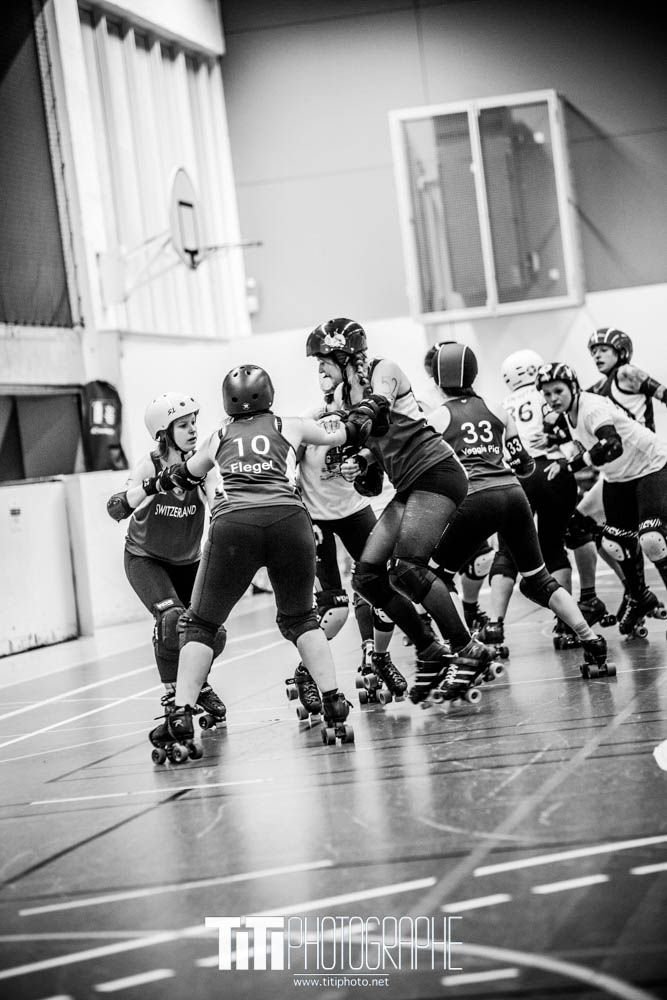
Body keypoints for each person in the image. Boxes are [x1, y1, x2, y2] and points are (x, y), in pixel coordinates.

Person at [147, 364, 359, 759]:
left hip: (235, 526)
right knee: (302, 618)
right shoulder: (289, 426)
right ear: (269, 394)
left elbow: (186, 474)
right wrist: (364, 414)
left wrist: (154, 482)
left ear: (227, 402)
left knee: (200, 624)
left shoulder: (218, 436)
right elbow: (343, 434)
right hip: (288, 522)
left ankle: (180, 715)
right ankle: (333, 702)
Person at [306, 317, 493, 706]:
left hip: (438, 473)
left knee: (408, 567)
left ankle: (466, 647)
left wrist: (347, 434)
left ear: (345, 356)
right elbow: (375, 455)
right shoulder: (343, 399)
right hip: (410, 483)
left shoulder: (382, 370)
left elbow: (378, 410)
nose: (319, 369)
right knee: (368, 576)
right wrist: (361, 462)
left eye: (323, 360)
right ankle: (430, 650)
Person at [426, 343, 609, 681]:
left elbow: (428, 469)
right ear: (475, 375)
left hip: (475, 498)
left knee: (433, 577)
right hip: (513, 493)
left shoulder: (436, 417)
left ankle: (466, 650)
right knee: (540, 575)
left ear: (438, 381)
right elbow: (523, 463)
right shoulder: (497, 410)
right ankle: (590, 638)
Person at [106, 392, 226, 725]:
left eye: (193, 424)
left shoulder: (201, 464)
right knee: (171, 620)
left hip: (188, 561)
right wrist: (153, 484)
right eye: (183, 425)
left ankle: (196, 686)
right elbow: (116, 507)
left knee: (212, 631)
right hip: (146, 558)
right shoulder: (151, 463)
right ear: (163, 433)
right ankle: (174, 695)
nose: (192, 431)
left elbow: (217, 500)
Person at [536, 361, 667, 637]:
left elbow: (612, 445)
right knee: (615, 542)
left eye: (557, 391)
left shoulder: (592, 407)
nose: (552, 399)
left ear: (573, 387)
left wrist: (569, 464)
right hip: (617, 477)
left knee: (653, 539)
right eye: (546, 394)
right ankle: (639, 596)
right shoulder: (568, 414)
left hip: (651, 466)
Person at [296, 368, 402, 707]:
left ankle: (378, 658)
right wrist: (299, 516)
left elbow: (377, 464)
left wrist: (364, 463)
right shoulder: (309, 421)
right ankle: (306, 672)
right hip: (318, 518)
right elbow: (287, 473)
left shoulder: (362, 421)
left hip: (356, 511)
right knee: (334, 609)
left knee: (386, 590)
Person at [566, 328, 667, 622]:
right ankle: (635, 593)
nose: (597, 355)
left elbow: (664, 394)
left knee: (652, 539)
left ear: (621, 352)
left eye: (604, 350)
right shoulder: (594, 391)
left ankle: (636, 593)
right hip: (618, 471)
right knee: (582, 528)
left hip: (646, 463)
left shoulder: (626, 374)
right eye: (593, 351)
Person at [491, 348, 583, 649]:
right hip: (553, 470)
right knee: (554, 546)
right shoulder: (549, 395)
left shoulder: (501, 405)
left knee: (507, 552)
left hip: (516, 476)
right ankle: (567, 625)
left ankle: (495, 627)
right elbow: (573, 437)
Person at [423, 342, 494, 633]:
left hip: (473, 493)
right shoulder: (428, 402)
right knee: (430, 571)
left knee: (480, 560)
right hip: (444, 495)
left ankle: (470, 609)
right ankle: (437, 626)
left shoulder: (468, 400)